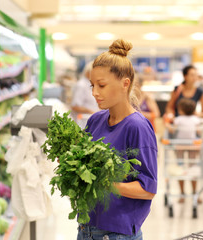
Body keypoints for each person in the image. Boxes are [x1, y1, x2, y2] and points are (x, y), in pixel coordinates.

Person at [79, 39, 158, 240]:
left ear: (125, 84)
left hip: (116, 234)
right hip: (86, 228)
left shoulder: (137, 126)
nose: (95, 93)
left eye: (102, 85)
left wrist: (105, 184)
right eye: (92, 85)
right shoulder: (96, 120)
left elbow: (147, 188)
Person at [166, 98, 201, 204]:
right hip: (192, 147)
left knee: (180, 168)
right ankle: (195, 193)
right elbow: (199, 131)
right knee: (192, 168)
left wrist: (167, 125)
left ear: (181, 110)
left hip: (180, 146)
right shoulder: (196, 119)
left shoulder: (178, 119)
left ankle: (182, 194)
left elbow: (173, 130)